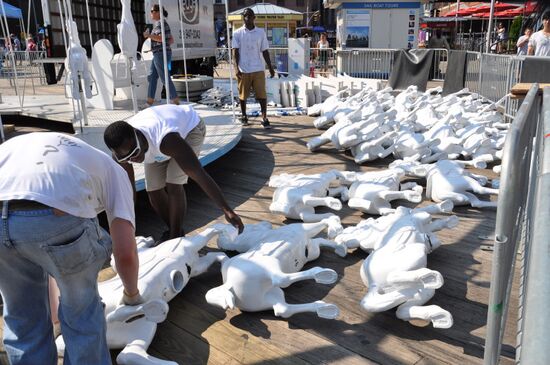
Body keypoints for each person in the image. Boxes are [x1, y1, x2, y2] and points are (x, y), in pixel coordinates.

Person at [0, 132, 141, 365]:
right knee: (81, 312)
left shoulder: (19, 145)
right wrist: (132, 295)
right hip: (56, 213)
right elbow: (125, 252)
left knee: (22, 316)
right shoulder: (115, 171)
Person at [103, 104, 244, 243]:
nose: (132, 160)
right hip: (154, 145)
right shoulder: (122, 154)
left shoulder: (168, 140)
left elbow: (199, 174)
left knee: (173, 184)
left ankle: (175, 236)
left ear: (138, 135)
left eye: (134, 153)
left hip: (190, 129)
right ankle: (175, 231)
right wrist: (128, 226)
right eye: (126, 158)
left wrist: (227, 210)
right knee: (153, 189)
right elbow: (129, 189)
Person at [232, 8, 275, 129]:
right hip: (243, 69)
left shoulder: (261, 33)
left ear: (254, 17)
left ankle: (264, 117)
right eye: (245, 16)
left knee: (262, 94)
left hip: (258, 69)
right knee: (243, 95)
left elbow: (265, 51)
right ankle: (244, 115)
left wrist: (270, 67)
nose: (247, 18)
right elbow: (235, 52)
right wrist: (236, 68)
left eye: (249, 16)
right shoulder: (237, 33)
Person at [142, 4, 180, 108]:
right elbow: (170, 40)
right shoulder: (161, 23)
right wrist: (155, 47)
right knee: (152, 76)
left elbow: (162, 38)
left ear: (158, 12)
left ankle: (176, 101)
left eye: (152, 11)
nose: (151, 13)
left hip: (160, 54)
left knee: (164, 77)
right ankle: (149, 102)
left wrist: (149, 35)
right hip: (159, 53)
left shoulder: (160, 23)